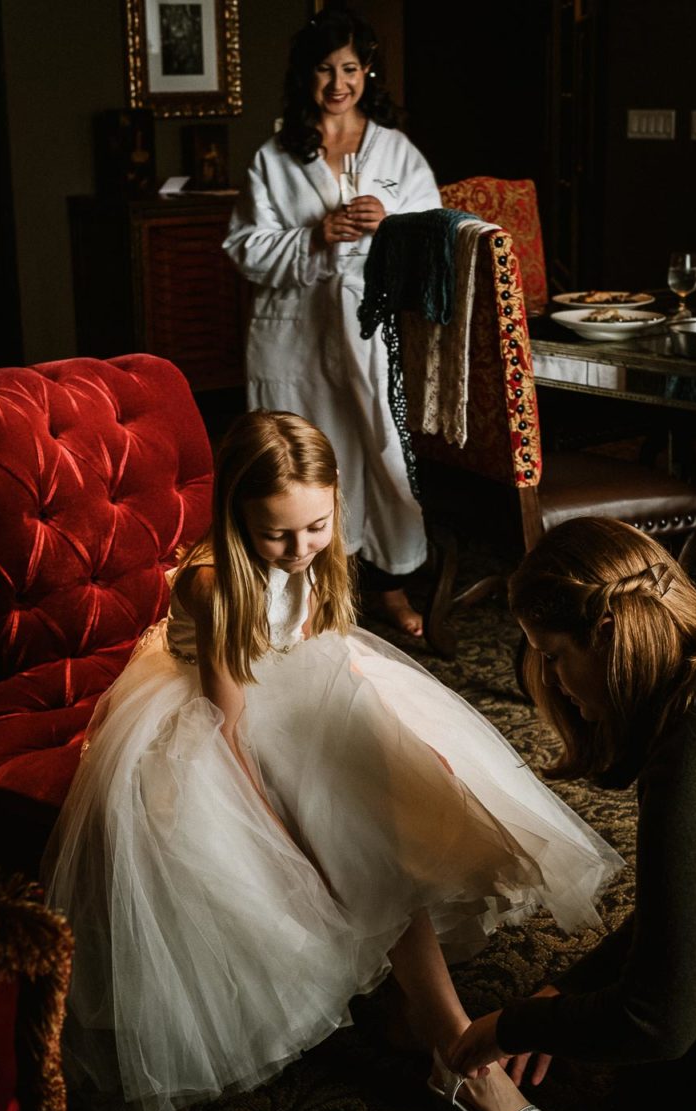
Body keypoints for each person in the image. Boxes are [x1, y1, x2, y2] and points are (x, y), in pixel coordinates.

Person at [42, 411, 622, 1111]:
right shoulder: (221, 584)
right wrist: (276, 835)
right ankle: (457, 1053)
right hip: (221, 716)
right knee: (356, 837)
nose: (298, 550)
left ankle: (413, 1007)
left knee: (408, 789)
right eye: (276, 535)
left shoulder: (316, 551)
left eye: (315, 527)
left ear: (334, 501)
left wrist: (401, 733)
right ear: (237, 517)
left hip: (299, 689)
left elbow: (328, 657)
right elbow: (232, 724)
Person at [449, 515, 696, 1111]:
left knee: (662, 1092)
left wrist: (506, 1028)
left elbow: (658, 1022)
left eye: (554, 655)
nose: (553, 679)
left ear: (605, 636)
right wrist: (572, 988)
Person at [223, 7, 441, 638]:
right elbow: (242, 247)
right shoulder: (275, 157)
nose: (338, 82)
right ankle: (312, 596)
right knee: (307, 455)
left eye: (351, 68)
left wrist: (392, 223)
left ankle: (390, 585)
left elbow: (437, 239)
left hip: (370, 331)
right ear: (305, 76)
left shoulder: (395, 151)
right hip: (298, 334)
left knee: (378, 452)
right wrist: (314, 236)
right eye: (325, 69)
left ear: (368, 72)